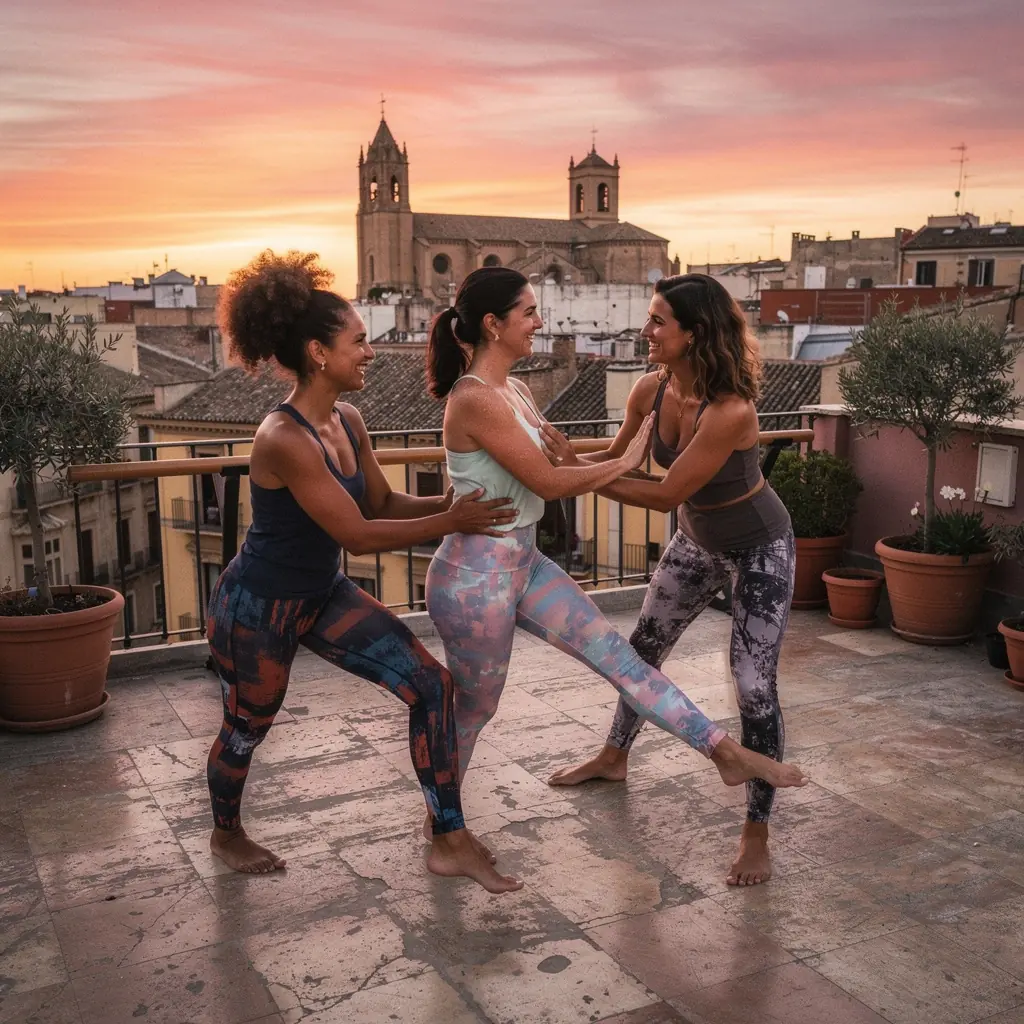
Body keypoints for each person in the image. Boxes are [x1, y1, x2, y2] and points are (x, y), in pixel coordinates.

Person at [422, 267, 807, 841]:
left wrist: (582, 466)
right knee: (479, 709)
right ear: (492, 325)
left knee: (664, 670)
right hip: (478, 577)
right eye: (529, 312)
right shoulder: (481, 399)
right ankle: (446, 829)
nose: (540, 321)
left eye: (658, 321)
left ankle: (731, 771)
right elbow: (556, 478)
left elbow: (590, 472)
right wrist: (609, 466)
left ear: (696, 333)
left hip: (543, 561)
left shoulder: (517, 388)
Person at [205, 250, 522, 893]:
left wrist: (451, 505)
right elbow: (355, 533)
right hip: (259, 607)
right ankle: (226, 832)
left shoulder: (346, 418)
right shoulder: (282, 437)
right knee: (249, 724)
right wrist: (451, 523)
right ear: (319, 354)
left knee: (431, 685)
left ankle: (449, 836)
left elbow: (378, 503)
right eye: (358, 341)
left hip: (321, 594)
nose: (370, 352)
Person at [547, 273, 795, 887]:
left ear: (696, 333)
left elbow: (663, 494)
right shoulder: (649, 389)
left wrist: (567, 469)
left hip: (759, 547)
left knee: (752, 685)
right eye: (650, 317)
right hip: (697, 541)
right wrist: (569, 458)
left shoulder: (730, 411)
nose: (646, 329)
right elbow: (621, 459)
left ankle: (756, 831)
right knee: (640, 654)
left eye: (659, 320)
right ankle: (614, 756)